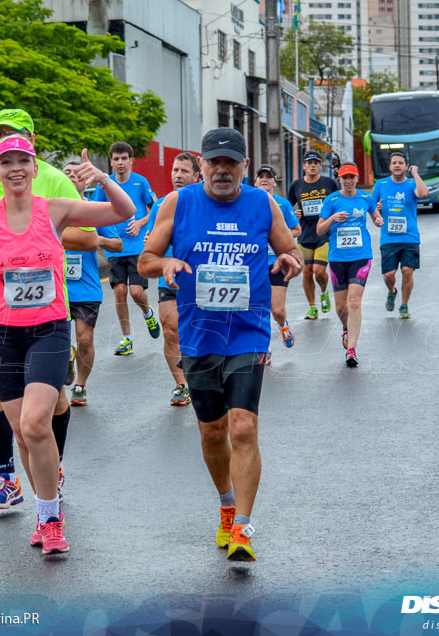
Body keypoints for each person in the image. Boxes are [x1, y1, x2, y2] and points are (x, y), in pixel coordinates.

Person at [0, 138, 135, 554]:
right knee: (20, 430)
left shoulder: (54, 210)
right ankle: (45, 508)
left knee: (36, 423)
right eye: (6, 162)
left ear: (35, 169)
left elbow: (124, 212)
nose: (15, 168)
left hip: (48, 330)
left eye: (23, 161)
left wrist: (102, 176)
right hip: (2, 334)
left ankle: (51, 520)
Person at [138, 127, 302, 563]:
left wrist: (288, 261)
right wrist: (167, 261)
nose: (222, 170)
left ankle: (244, 528)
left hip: (248, 329)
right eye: (215, 162)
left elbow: (291, 252)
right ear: (203, 165)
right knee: (212, 431)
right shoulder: (178, 202)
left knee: (243, 426)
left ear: (244, 166)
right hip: (198, 333)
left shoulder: (263, 203)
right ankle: (227, 505)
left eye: (231, 162)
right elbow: (146, 259)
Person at [0, 109, 97, 510]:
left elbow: (88, 239)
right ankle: (7, 477)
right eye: (0, 136)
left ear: (32, 142)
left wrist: (41, 235)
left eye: (16, 135)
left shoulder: (52, 179)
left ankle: (52, 467)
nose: (9, 144)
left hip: (45, 309)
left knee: (54, 400)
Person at [61, 162, 124, 407]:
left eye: (74, 173)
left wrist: (92, 240)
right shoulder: (54, 212)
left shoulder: (93, 211)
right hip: (57, 287)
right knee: (58, 340)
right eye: (65, 173)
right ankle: (65, 360)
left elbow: (118, 244)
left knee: (84, 339)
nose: (69, 177)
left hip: (86, 286)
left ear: (84, 181)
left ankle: (80, 385)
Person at [91, 141, 161, 356]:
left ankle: (148, 314)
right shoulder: (106, 185)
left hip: (137, 247)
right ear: (111, 162)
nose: (120, 163)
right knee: (120, 291)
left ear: (130, 161)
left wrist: (140, 223)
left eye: (124, 158)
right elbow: (94, 210)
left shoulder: (141, 183)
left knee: (136, 291)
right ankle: (127, 339)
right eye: (116, 159)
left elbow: (154, 211)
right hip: (115, 248)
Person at [146, 151, 201, 405]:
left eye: (184, 171)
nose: (178, 175)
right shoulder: (161, 205)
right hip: (168, 276)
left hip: (201, 278)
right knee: (170, 330)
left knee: (201, 331)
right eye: (175, 170)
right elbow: (151, 243)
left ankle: (205, 375)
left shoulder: (205, 203)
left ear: (196, 175)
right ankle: (181, 385)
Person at [317, 163, 382, 367]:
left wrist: (378, 219)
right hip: (337, 258)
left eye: (352, 177)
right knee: (341, 307)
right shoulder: (332, 200)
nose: (348, 181)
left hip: (361, 255)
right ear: (340, 179)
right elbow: (319, 229)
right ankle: (346, 328)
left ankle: (352, 350)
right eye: (344, 178)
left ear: (356, 178)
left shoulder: (365, 198)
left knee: (354, 302)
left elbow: (375, 214)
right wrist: (333, 219)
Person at [371, 152, 429, 319]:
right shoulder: (380, 185)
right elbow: (372, 208)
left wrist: (416, 173)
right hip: (389, 237)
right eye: (394, 163)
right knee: (389, 274)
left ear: (406, 166)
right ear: (390, 166)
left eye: (401, 163)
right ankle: (391, 291)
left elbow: (424, 193)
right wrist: (377, 214)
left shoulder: (412, 184)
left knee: (407, 271)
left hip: (410, 237)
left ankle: (404, 305)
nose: (397, 165)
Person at [253, 165, 300, 357]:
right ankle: (265, 348)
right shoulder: (248, 203)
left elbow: (297, 230)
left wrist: (279, 238)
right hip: (255, 262)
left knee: (277, 309)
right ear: (255, 182)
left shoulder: (283, 204)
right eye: (261, 177)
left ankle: (283, 326)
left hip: (277, 262)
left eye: (268, 177)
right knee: (257, 307)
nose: (265, 180)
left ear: (274, 182)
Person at [288, 151, 338, 320]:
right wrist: (295, 214)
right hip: (304, 235)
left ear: (319, 166)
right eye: (309, 163)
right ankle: (312, 307)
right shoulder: (296, 185)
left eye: (316, 163)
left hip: (324, 233)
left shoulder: (329, 183)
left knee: (319, 271)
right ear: (304, 166)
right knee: (307, 272)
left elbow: (338, 201)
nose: (313, 165)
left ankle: (324, 292)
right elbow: (288, 209)